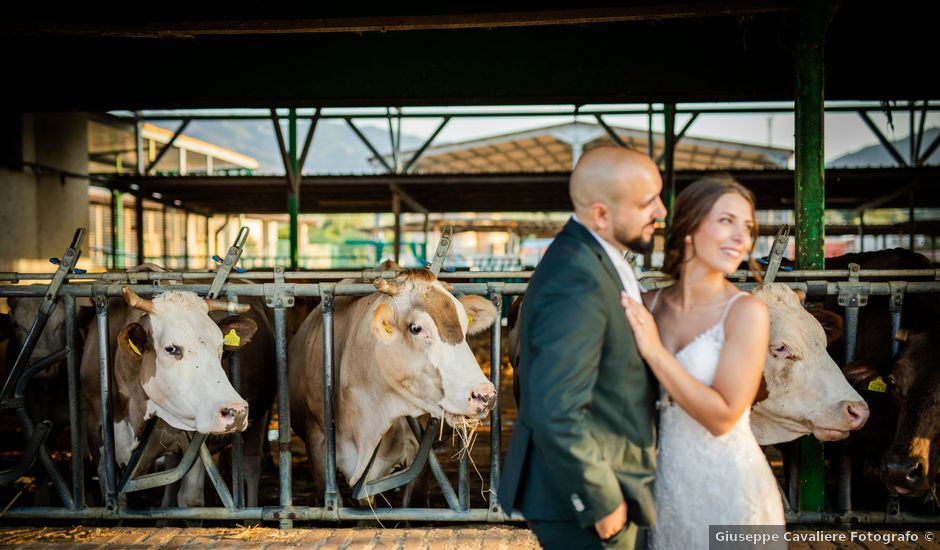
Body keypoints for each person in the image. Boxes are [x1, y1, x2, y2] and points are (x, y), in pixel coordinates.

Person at [498, 146, 666, 550]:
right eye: (647, 202)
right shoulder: (576, 277)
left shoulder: (595, 259)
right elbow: (555, 406)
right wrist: (599, 500)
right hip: (586, 497)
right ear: (601, 214)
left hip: (609, 475)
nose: (661, 211)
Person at [620, 174, 786, 549]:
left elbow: (723, 416)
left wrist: (654, 350)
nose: (741, 237)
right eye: (726, 221)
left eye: (747, 227)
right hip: (669, 488)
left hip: (733, 492)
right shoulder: (648, 304)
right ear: (690, 227)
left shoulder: (746, 312)